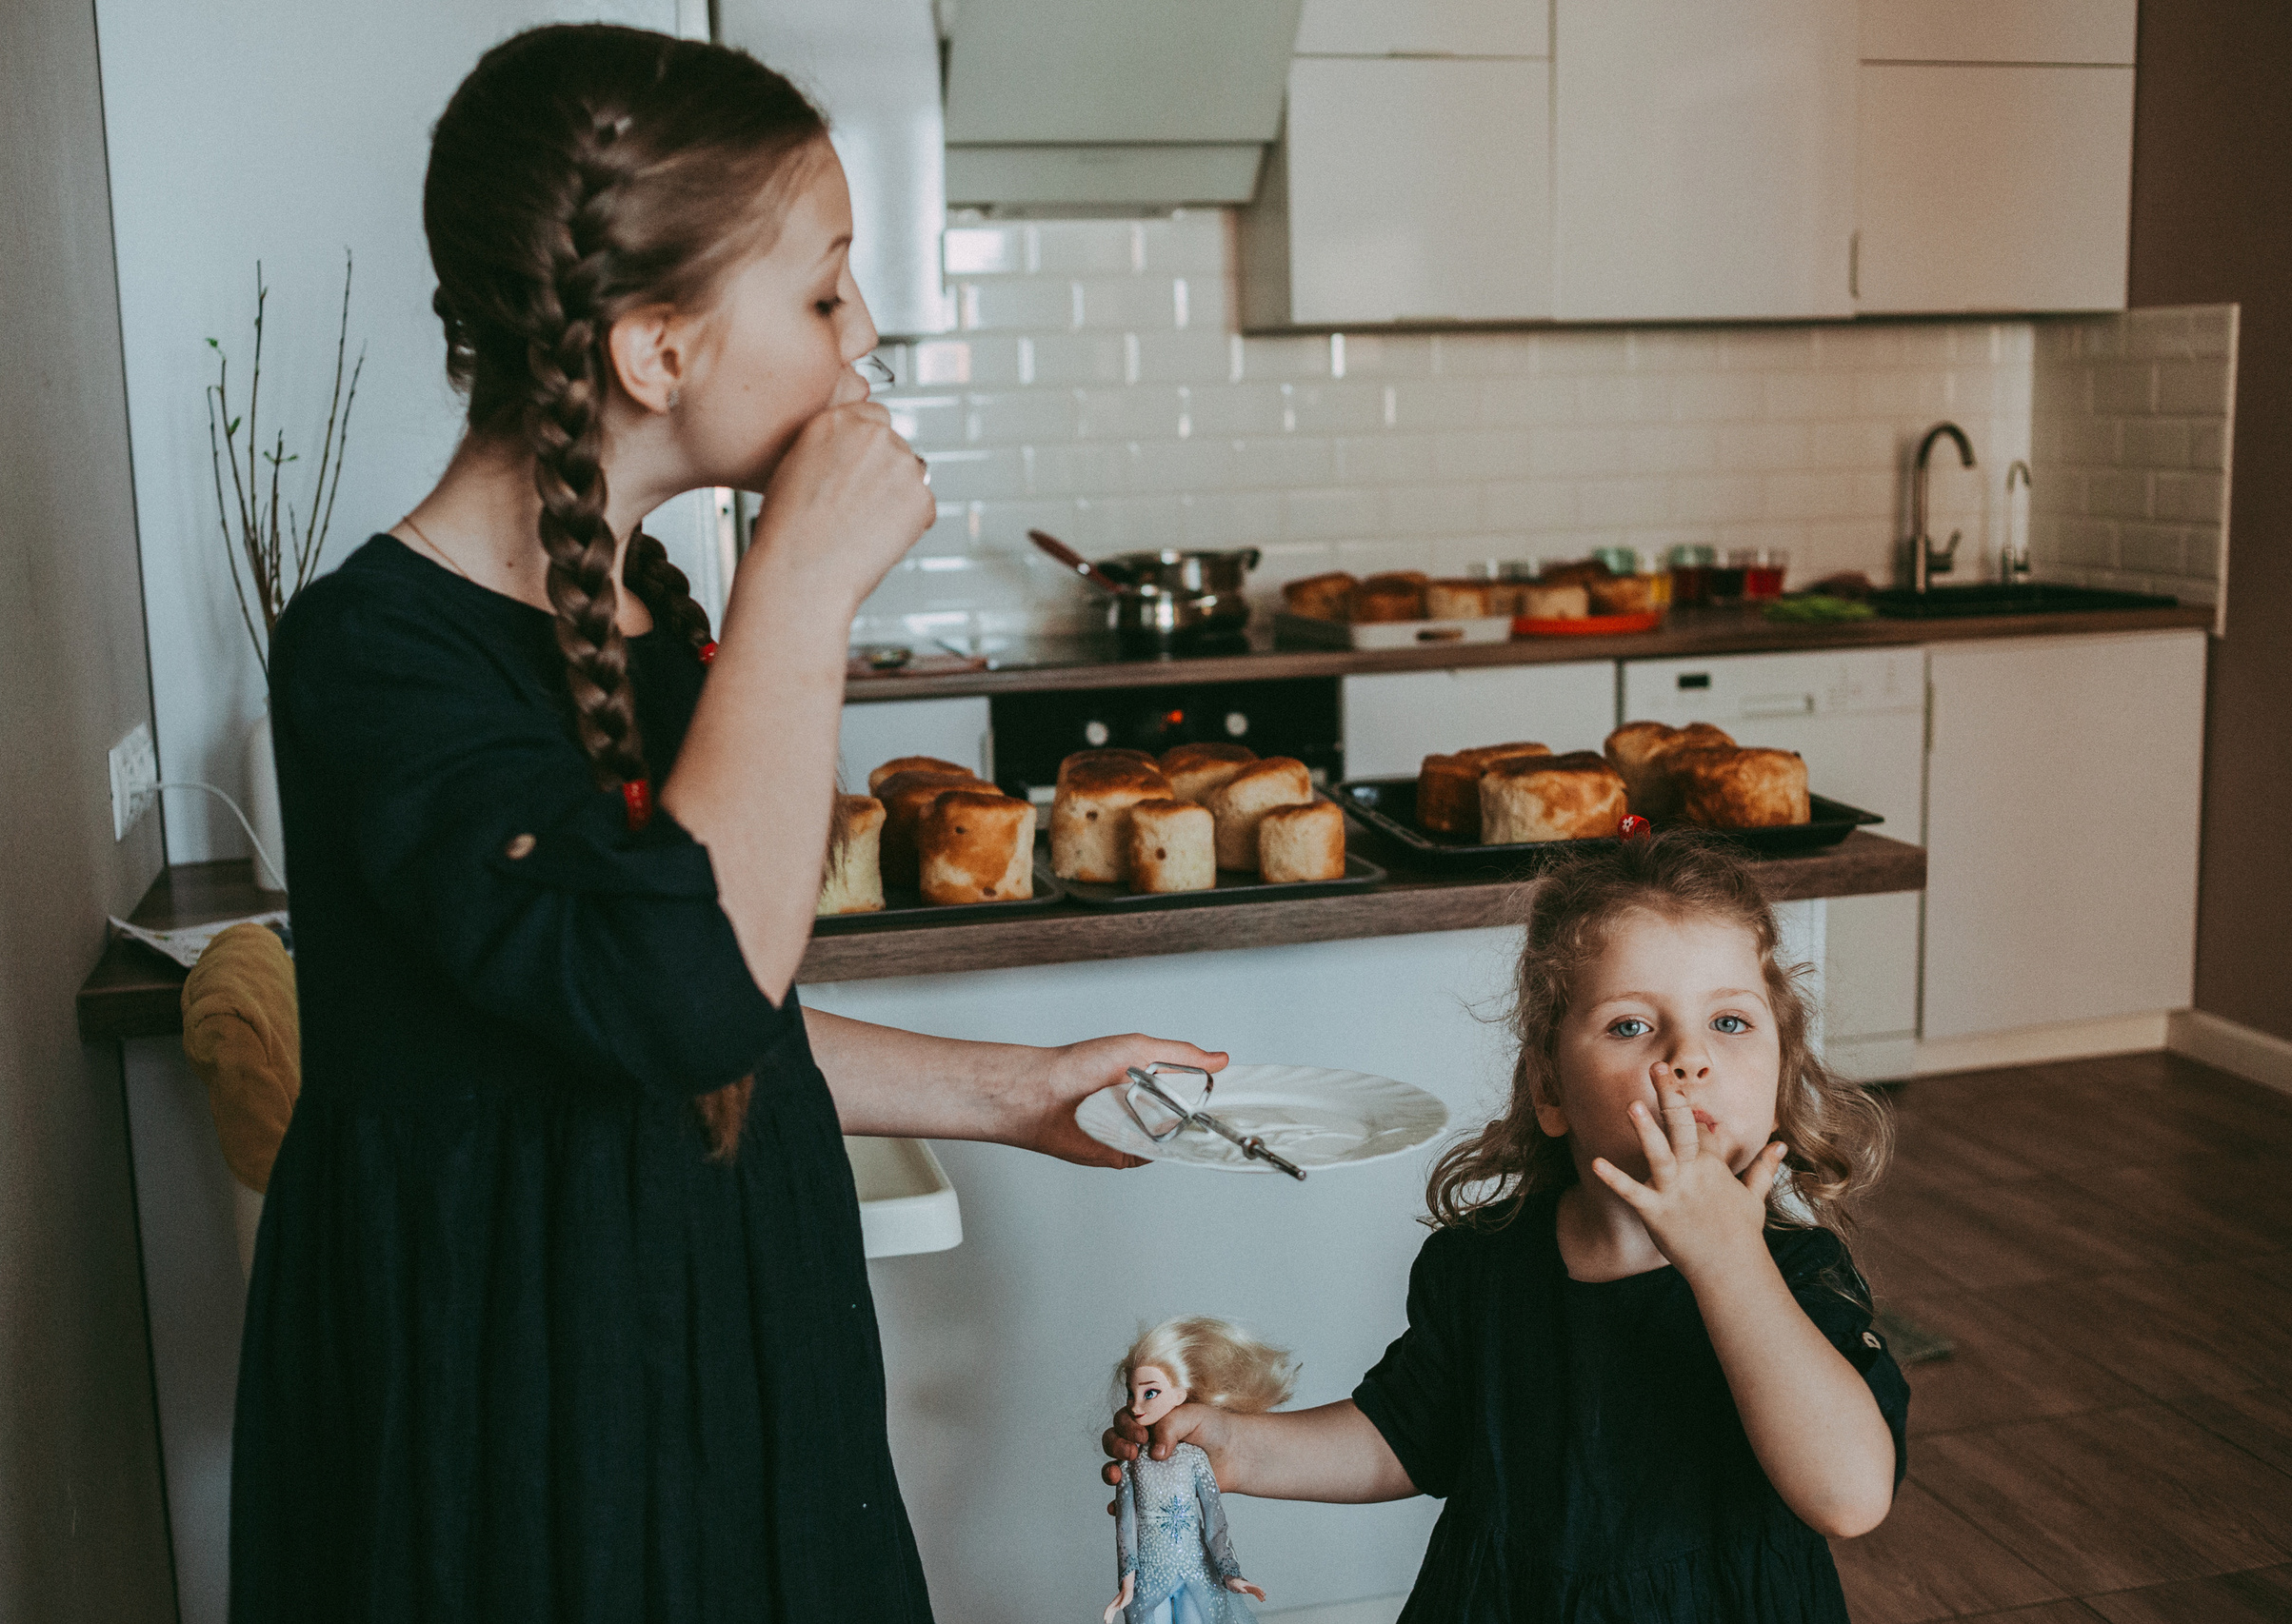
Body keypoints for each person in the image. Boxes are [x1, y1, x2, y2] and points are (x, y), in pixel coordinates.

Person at [234, 25, 1226, 1620]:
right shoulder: (376, 653)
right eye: (829, 290)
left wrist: (1011, 1087)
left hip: (720, 1338)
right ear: (655, 348)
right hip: (526, 1405)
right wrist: (806, 586)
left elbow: (708, 1015)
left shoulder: (649, 614)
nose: (868, 332)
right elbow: (674, 995)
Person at [1101, 832, 1908, 1623]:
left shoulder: (1799, 1277)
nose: (1687, 1058)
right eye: (1631, 1026)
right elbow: (1408, 1437)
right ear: (1549, 1089)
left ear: (1780, 1072)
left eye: (1730, 1023)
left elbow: (1848, 1497)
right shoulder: (1482, 1265)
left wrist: (1730, 1261)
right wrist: (1238, 1449)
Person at [1105, 1317, 1292, 1624]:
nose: (1136, 1407)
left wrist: (1231, 1573)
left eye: (1150, 1393)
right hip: (1150, 1579)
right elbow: (1125, 1528)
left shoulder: (1194, 1457)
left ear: (1180, 1395)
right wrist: (1126, 1583)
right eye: (1131, 1394)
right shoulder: (1131, 1463)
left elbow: (1214, 1520)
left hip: (1197, 1571)